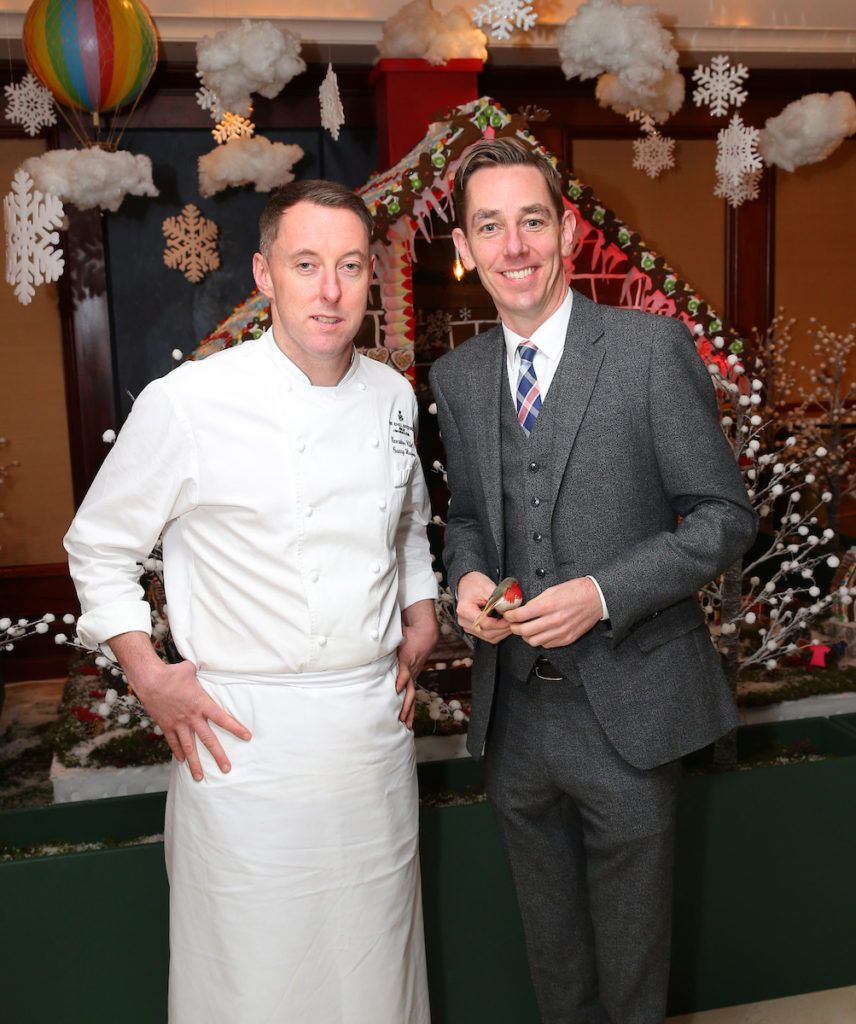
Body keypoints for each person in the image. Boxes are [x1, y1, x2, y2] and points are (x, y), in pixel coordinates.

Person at [64, 179, 438, 1024]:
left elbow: (406, 520)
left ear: (373, 275)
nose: (330, 291)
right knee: (252, 976)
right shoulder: (190, 402)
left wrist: (421, 610)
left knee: (376, 963)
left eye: (349, 265)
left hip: (369, 738)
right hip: (243, 743)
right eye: (307, 265)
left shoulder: (393, 396)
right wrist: (149, 675)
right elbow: (98, 546)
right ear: (266, 275)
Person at [429, 138, 757, 1024]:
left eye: (531, 221)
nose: (515, 246)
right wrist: (464, 584)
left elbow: (726, 516)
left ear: (567, 231)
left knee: (633, 966)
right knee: (555, 962)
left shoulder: (650, 350)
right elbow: (466, 519)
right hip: (516, 722)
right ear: (463, 248)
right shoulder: (456, 379)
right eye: (489, 227)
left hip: (632, 712)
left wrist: (605, 592)